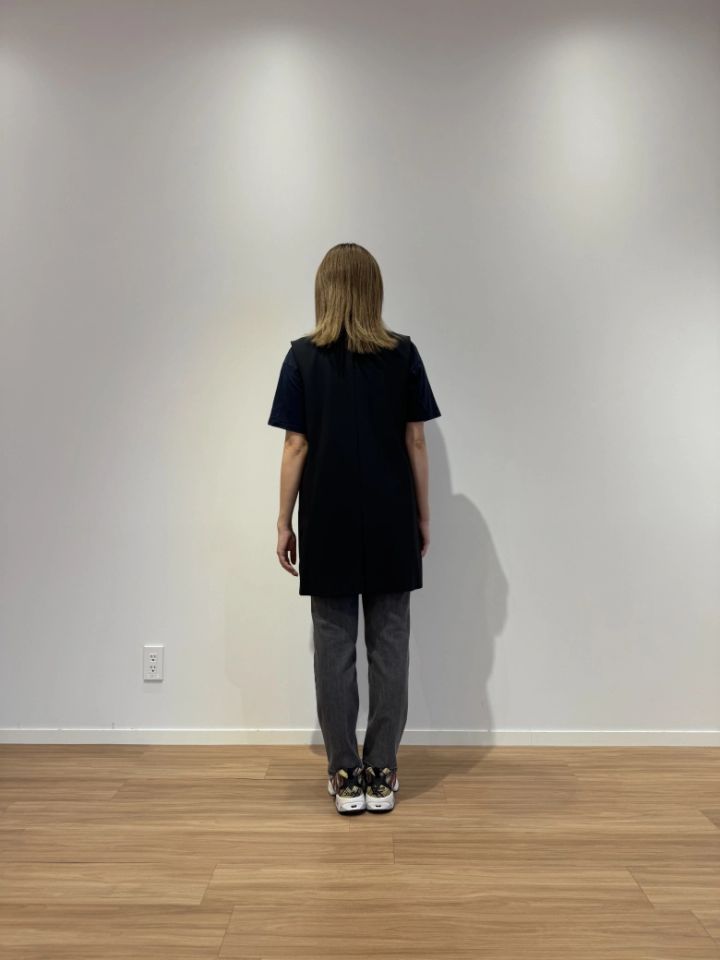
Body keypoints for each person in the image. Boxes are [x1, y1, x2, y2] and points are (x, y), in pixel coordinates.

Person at [267, 242, 441, 814]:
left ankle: (345, 774)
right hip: (390, 515)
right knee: (390, 646)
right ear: (374, 290)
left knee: (333, 647)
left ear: (324, 291)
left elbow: (296, 445)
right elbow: (416, 440)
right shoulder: (403, 354)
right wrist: (422, 514)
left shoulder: (301, 358)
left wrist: (283, 521)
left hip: (328, 517)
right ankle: (382, 772)